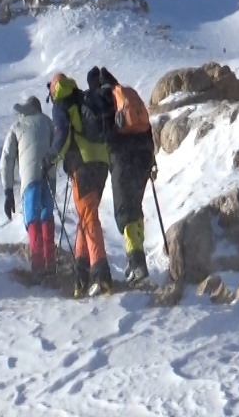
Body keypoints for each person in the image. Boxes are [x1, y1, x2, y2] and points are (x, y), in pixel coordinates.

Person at [42, 73, 113, 297]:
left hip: (83, 165)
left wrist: (50, 159)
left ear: (53, 91)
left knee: (89, 217)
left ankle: (102, 275)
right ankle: (80, 275)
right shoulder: (81, 97)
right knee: (85, 216)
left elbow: (61, 136)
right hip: (102, 162)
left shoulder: (62, 103)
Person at [88, 66, 156, 283]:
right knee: (134, 207)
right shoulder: (126, 95)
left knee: (124, 211)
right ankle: (137, 261)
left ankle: (136, 264)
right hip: (143, 155)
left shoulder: (102, 98)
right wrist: (151, 158)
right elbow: (147, 128)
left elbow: (100, 131)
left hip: (123, 157)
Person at [0, 95, 57, 275]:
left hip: (30, 179)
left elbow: (6, 159)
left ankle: (38, 266)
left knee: (32, 219)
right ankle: (51, 263)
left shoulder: (17, 126)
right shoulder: (48, 122)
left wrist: (8, 190)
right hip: (50, 176)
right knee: (47, 216)